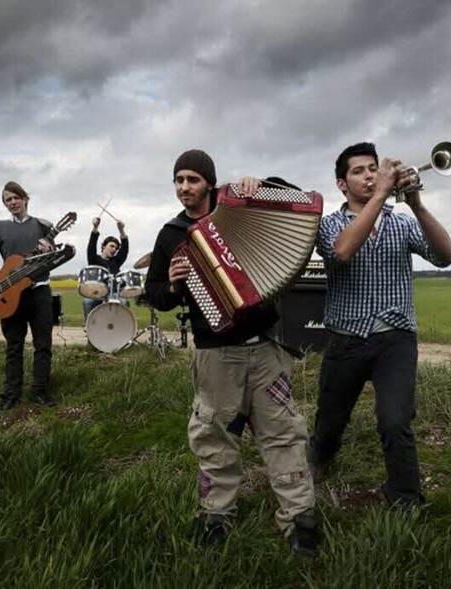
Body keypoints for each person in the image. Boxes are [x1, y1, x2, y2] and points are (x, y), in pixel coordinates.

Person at [144, 149, 320, 559]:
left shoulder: (239, 205)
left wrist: (264, 184)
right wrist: (171, 285)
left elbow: (297, 201)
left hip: (265, 348)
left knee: (283, 431)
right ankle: (216, 513)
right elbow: (156, 297)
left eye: (192, 179)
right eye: (179, 180)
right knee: (213, 434)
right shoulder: (170, 235)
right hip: (215, 354)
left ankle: (299, 518)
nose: (184, 187)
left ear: (209, 182)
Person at [308, 142, 451, 509]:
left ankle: (405, 498)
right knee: (329, 421)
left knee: (395, 421)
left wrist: (416, 204)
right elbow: (343, 251)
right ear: (341, 184)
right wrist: (382, 195)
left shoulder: (403, 222)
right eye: (358, 171)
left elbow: (445, 255)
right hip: (346, 338)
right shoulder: (327, 226)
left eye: (373, 169)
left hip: (396, 338)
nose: (369, 176)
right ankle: (318, 461)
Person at [0, 180, 58, 410]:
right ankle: (11, 396)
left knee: (43, 345)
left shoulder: (43, 226)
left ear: (25, 199)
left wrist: (51, 251)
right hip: (10, 295)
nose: (12, 202)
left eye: (15, 198)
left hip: (39, 292)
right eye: (7, 200)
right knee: (13, 347)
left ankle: (40, 392)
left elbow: (52, 260)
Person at [82, 216, 129, 318]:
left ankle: (120, 327)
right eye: (111, 246)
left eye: (116, 248)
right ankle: (89, 328)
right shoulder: (94, 259)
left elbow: (125, 249)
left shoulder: (116, 261)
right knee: (87, 302)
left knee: (123, 301)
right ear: (104, 246)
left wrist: (121, 230)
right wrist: (95, 227)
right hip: (97, 292)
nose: (114, 249)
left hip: (114, 292)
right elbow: (91, 246)